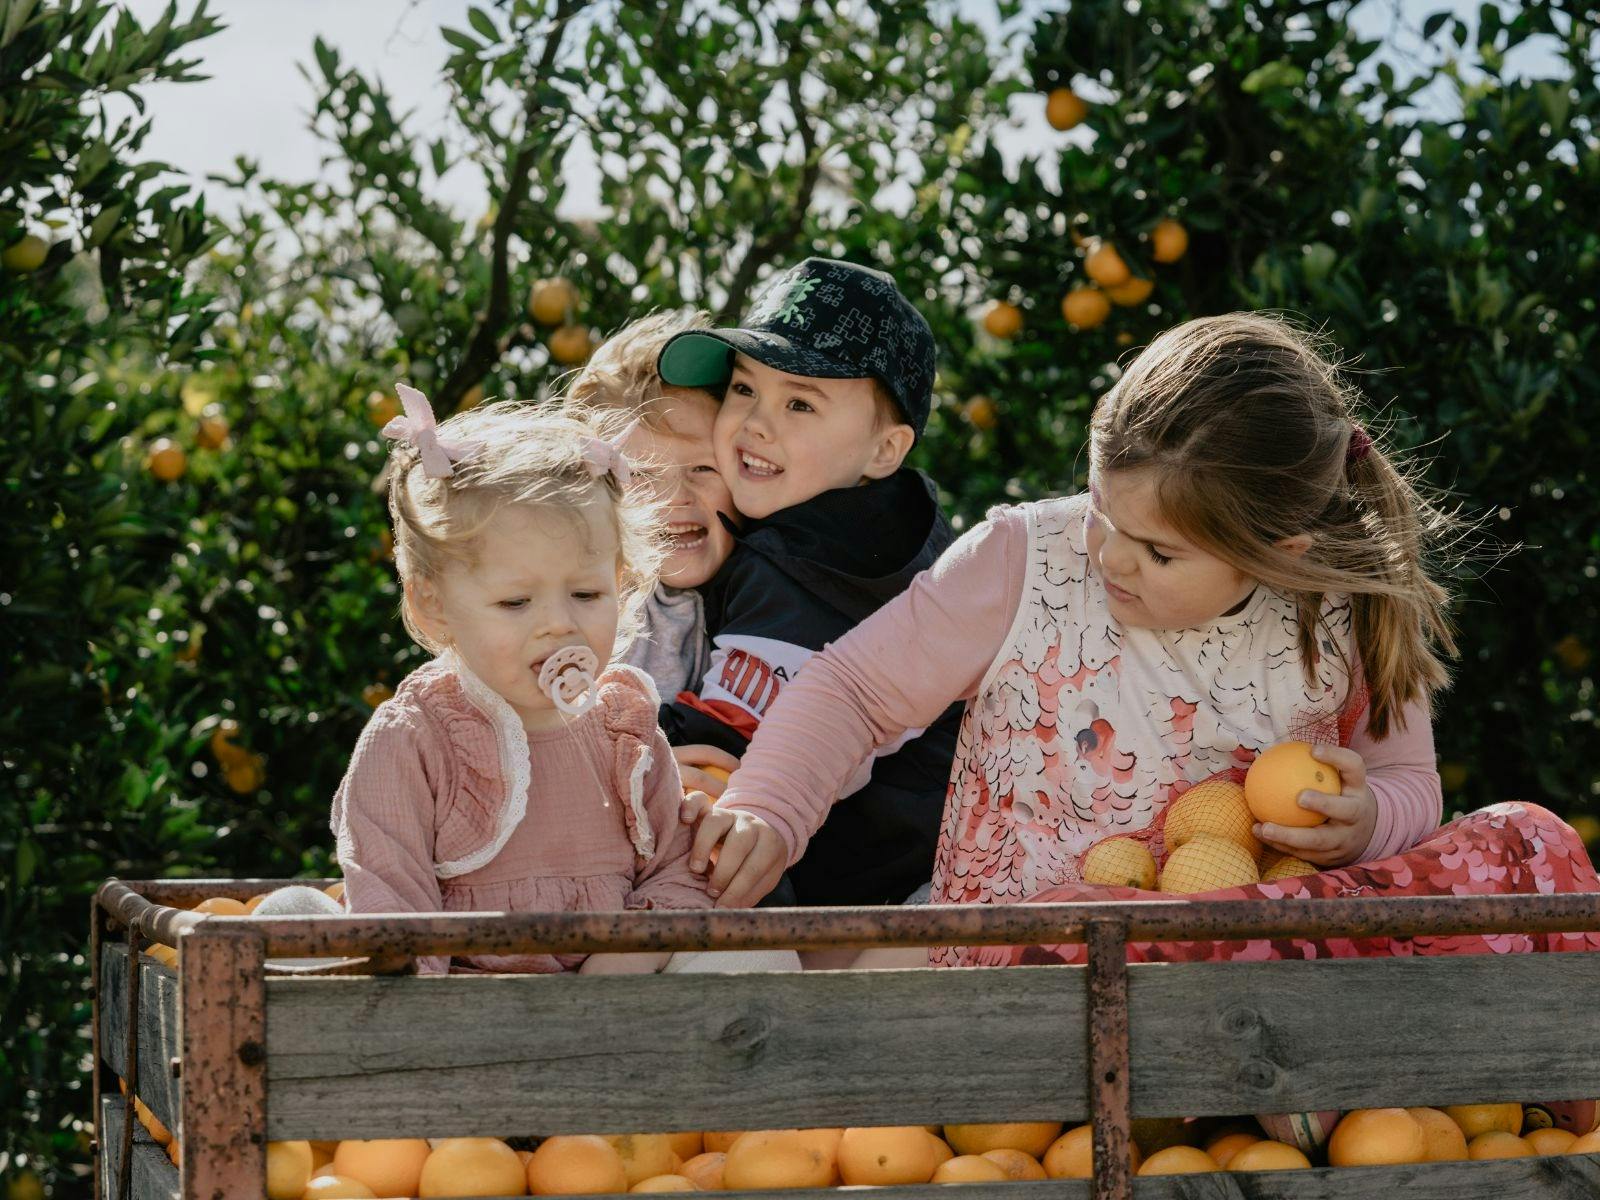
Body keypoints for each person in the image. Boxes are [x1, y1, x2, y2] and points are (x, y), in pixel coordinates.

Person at [693, 312, 1599, 973]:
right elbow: (854, 690)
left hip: (1248, 962)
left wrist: (1368, 823)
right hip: (1029, 965)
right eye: (1100, 512)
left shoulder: (1340, 615)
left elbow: (1409, 783)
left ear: (1276, 550)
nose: (1109, 557)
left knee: (1525, 841)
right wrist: (770, 808)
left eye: (1159, 551)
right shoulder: (1024, 560)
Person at [330, 388, 710, 975]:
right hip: (478, 1023)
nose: (559, 623)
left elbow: (677, 868)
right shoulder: (418, 740)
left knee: (758, 959)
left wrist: (632, 957)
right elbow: (393, 912)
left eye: (587, 594)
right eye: (514, 602)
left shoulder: (623, 725)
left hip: (630, 1013)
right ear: (432, 606)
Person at [655, 257, 963, 908]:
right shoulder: (912, 529)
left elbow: (723, 751)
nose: (757, 424)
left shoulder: (806, 571)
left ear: (885, 450)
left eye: (800, 402)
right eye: (744, 389)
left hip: (843, 900)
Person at [562, 309, 743, 799]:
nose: (675, 498)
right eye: (640, 476)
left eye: (704, 468)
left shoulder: (763, 587)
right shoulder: (591, 613)